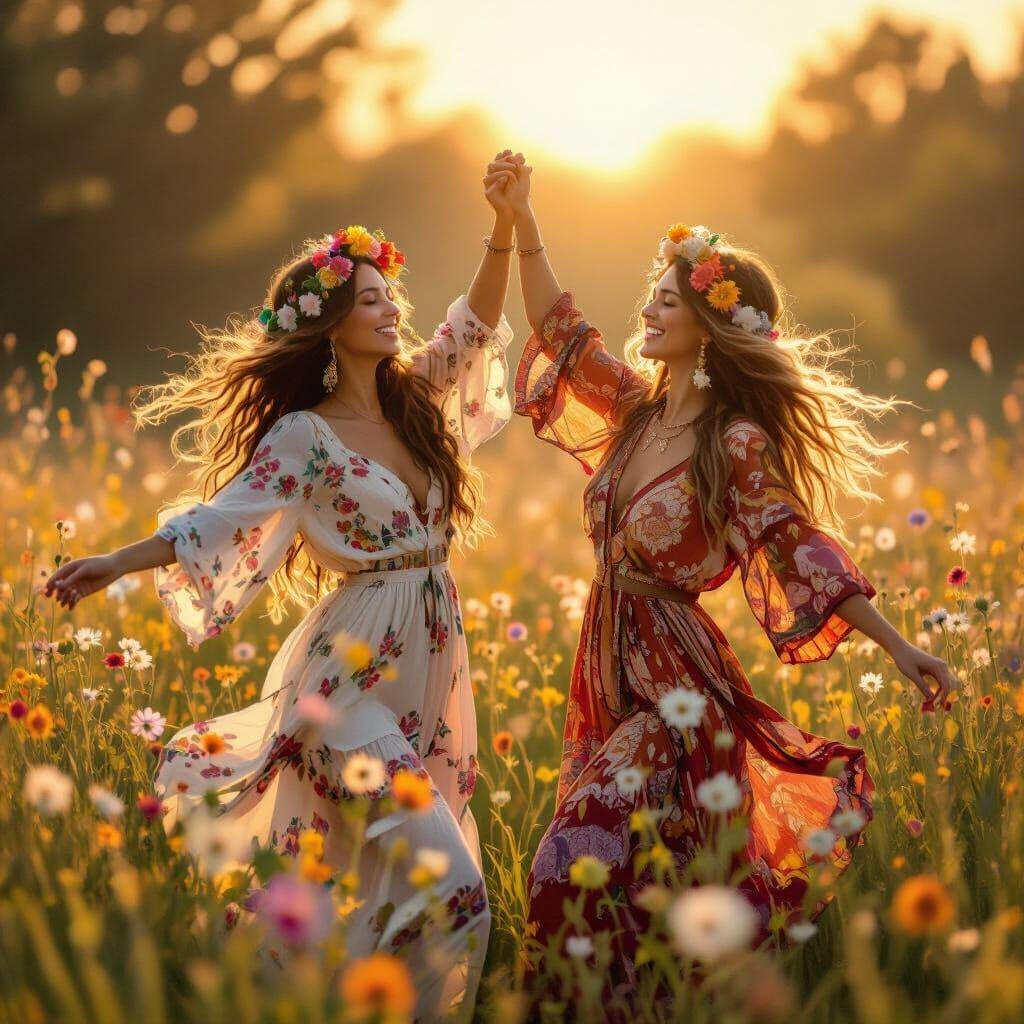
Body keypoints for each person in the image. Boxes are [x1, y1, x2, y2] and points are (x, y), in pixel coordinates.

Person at [43, 151, 530, 1021]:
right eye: (369, 298)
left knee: (386, 888)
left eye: (390, 297)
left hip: (429, 659)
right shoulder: (304, 435)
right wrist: (116, 562)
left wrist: (502, 224)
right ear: (331, 322)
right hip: (347, 686)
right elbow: (219, 518)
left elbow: (473, 326)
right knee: (453, 886)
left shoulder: (417, 400)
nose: (389, 309)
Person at [500, 155, 959, 998]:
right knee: (640, 891)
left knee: (567, 862)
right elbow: (561, 329)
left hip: (675, 685)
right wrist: (525, 218)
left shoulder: (735, 443)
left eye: (667, 300)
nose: (648, 308)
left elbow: (799, 548)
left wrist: (900, 648)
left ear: (710, 327)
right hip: (604, 668)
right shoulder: (636, 413)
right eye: (653, 294)